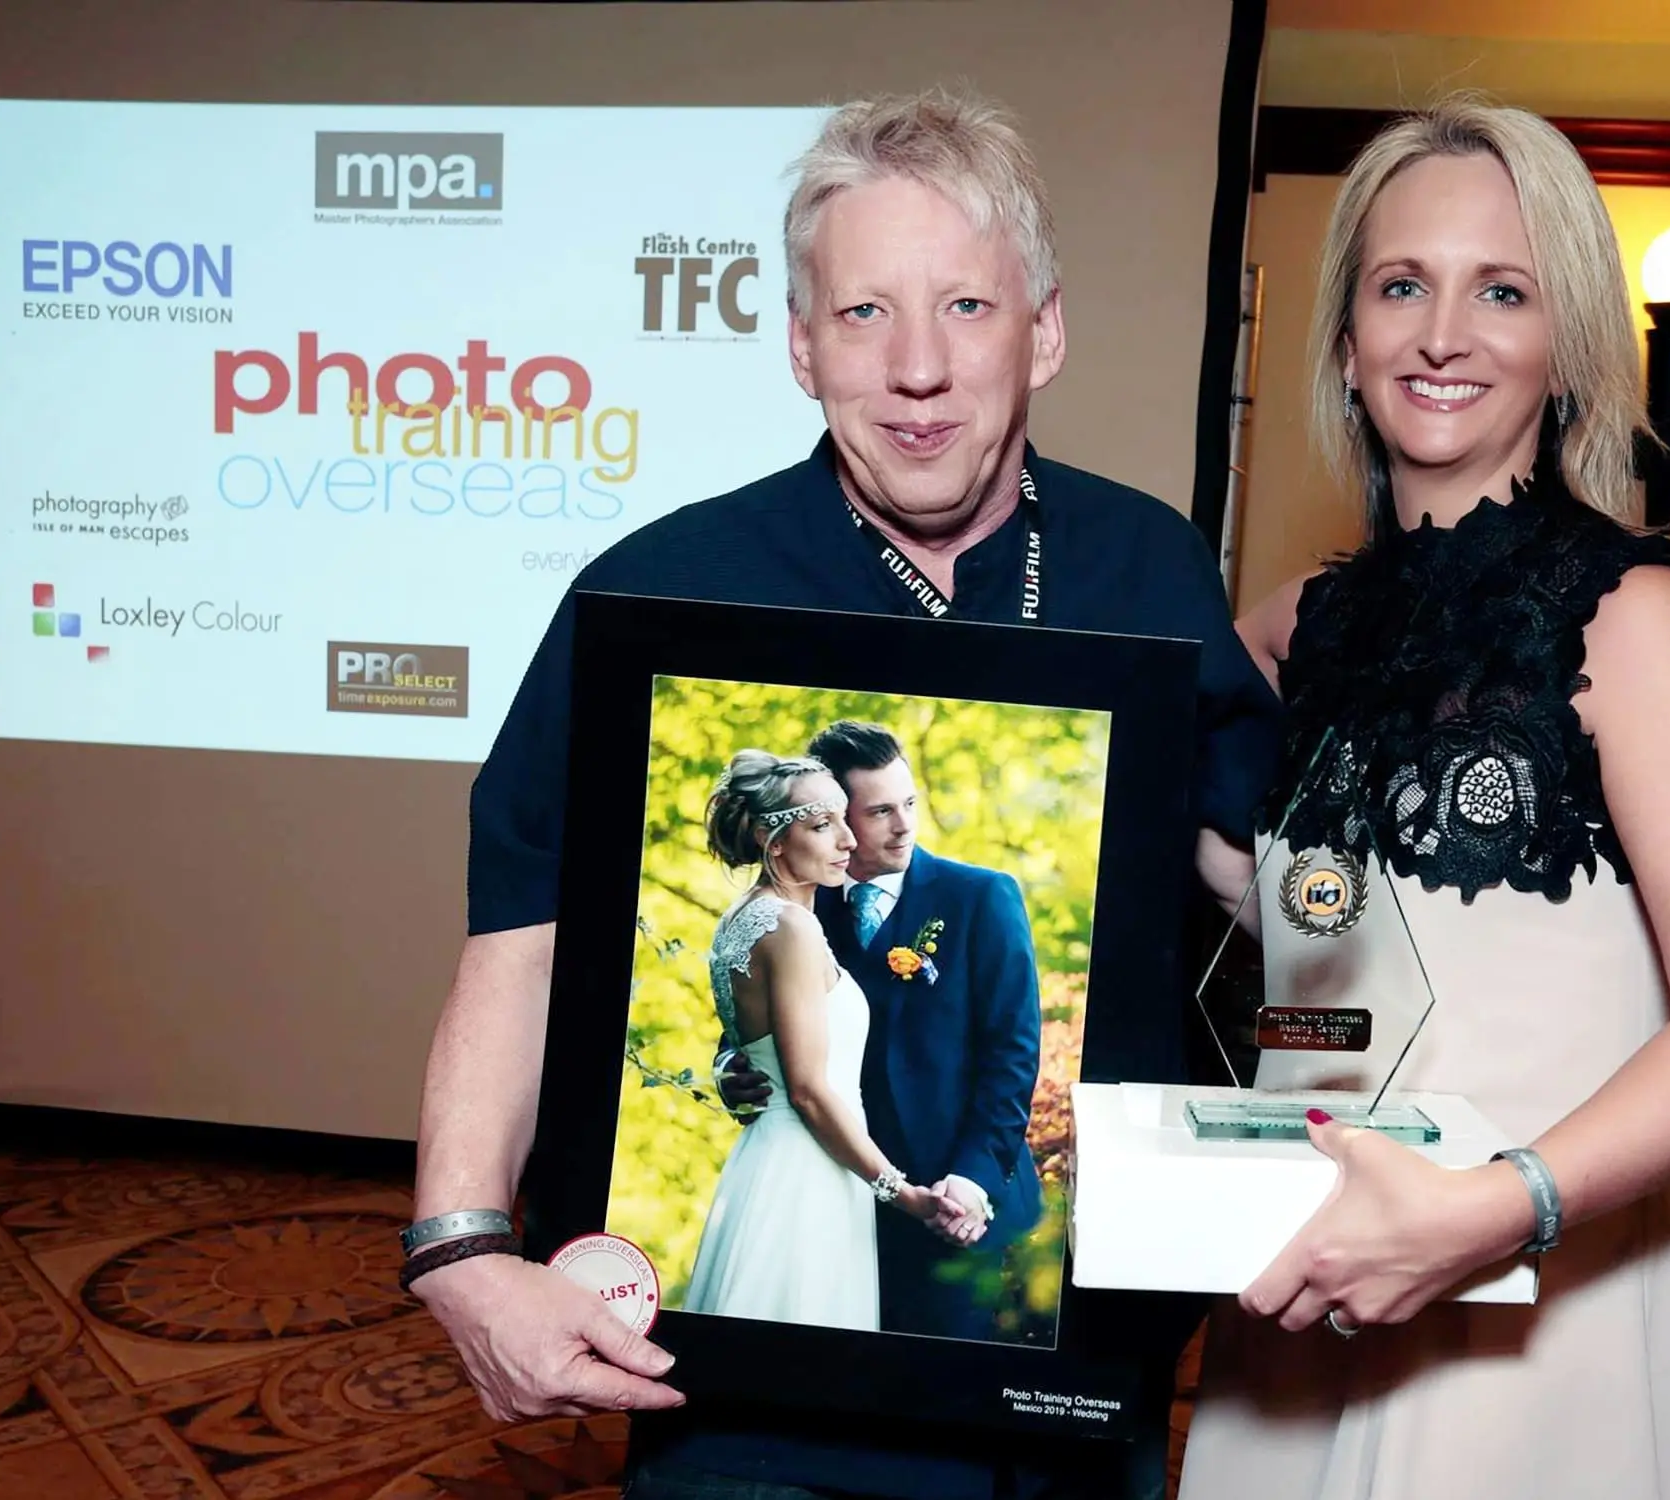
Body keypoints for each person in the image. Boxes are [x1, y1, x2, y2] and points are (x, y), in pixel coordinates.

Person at [405, 86, 1283, 1500]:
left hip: (1060, 1368)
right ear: (803, 348)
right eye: (865, 315)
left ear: (1045, 330)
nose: (917, 368)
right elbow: (524, 931)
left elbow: (1265, 902)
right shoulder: (659, 592)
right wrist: (456, 1247)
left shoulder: (1152, 569)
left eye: (967, 308)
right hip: (754, 1397)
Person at [1178, 96, 1670, 1500]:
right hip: (1308, 1289)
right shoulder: (1290, 632)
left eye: (1503, 291)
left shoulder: (1634, 619)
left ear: (1567, 349)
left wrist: (1495, 1211)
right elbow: (1285, 963)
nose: (1443, 334)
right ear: (1346, 343)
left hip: (1534, 1309)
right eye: (1402, 285)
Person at [719, 721, 1042, 1342]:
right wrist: (731, 1066)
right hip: (836, 1199)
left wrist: (970, 1182)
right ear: (834, 816)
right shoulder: (796, 909)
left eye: (910, 804)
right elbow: (753, 1023)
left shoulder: (981, 897)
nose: (905, 826)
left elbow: (1013, 1055)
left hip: (952, 1205)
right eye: (880, 811)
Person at [682, 751, 955, 1329]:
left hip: (774, 1159)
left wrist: (732, 1061)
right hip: (808, 1171)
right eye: (821, 824)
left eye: (842, 820)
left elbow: (758, 1044)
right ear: (771, 839)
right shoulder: (792, 928)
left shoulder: (742, 916)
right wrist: (901, 1193)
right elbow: (806, 1090)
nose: (848, 840)